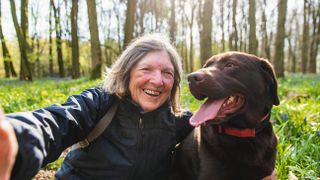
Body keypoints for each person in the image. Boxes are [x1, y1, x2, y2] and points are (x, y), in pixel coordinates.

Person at [0, 34, 193, 180]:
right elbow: (55, 123)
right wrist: (17, 138)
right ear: (126, 73)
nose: (158, 81)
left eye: (167, 73)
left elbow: (213, 133)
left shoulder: (178, 121)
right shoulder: (99, 103)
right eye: (146, 69)